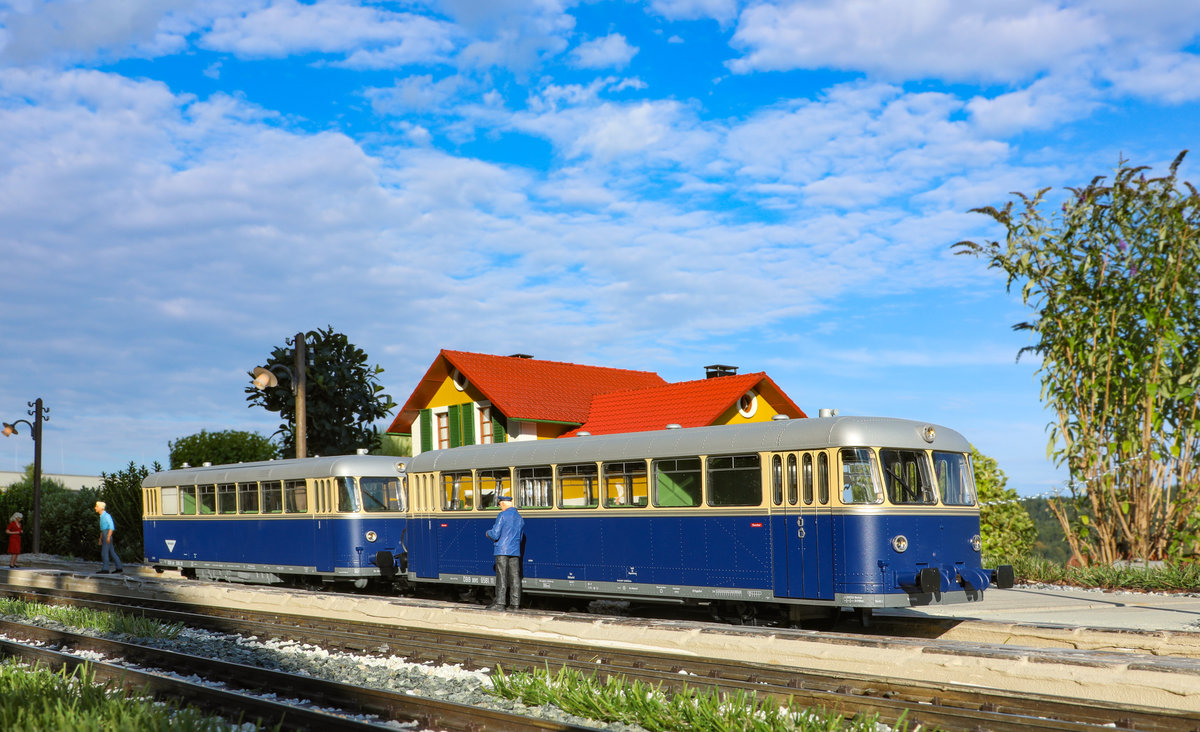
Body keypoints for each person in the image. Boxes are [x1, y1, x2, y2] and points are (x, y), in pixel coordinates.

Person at [484, 495, 524, 611]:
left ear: (503, 504)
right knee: (515, 577)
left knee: (501, 576)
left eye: (500, 504)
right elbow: (520, 538)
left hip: (502, 549)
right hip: (515, 550)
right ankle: (515, 604)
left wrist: (488, 533)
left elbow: (495, 534)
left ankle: (500, 603)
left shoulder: (502, 515)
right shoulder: (519, 518)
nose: (500, 507)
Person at [94, 501, 124, 574]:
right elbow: (102, 529)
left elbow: (111, 527)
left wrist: (108, 537)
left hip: (107, 534)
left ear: (101, 508)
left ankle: (105, 568)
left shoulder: (106, 516)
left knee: (104, 552)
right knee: (111, 552)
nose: (95, 508)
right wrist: (100, 539)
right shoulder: (102, 516)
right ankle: (119, 567)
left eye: (97, 506)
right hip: (105, 534)